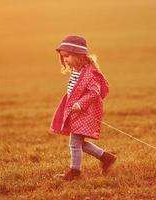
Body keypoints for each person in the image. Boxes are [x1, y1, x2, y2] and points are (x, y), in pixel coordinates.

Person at [50, 35, 117, 181]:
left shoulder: (89, 73)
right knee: (78, 142)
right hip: (76, 111)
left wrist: (81, 103)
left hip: (84, 112)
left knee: (74, 142)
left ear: (78, 55)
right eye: (63, 57)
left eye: (67, 56)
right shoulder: (77, 70)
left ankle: (75, 171)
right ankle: (106, 157)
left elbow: (95, 92)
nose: (65, 60)